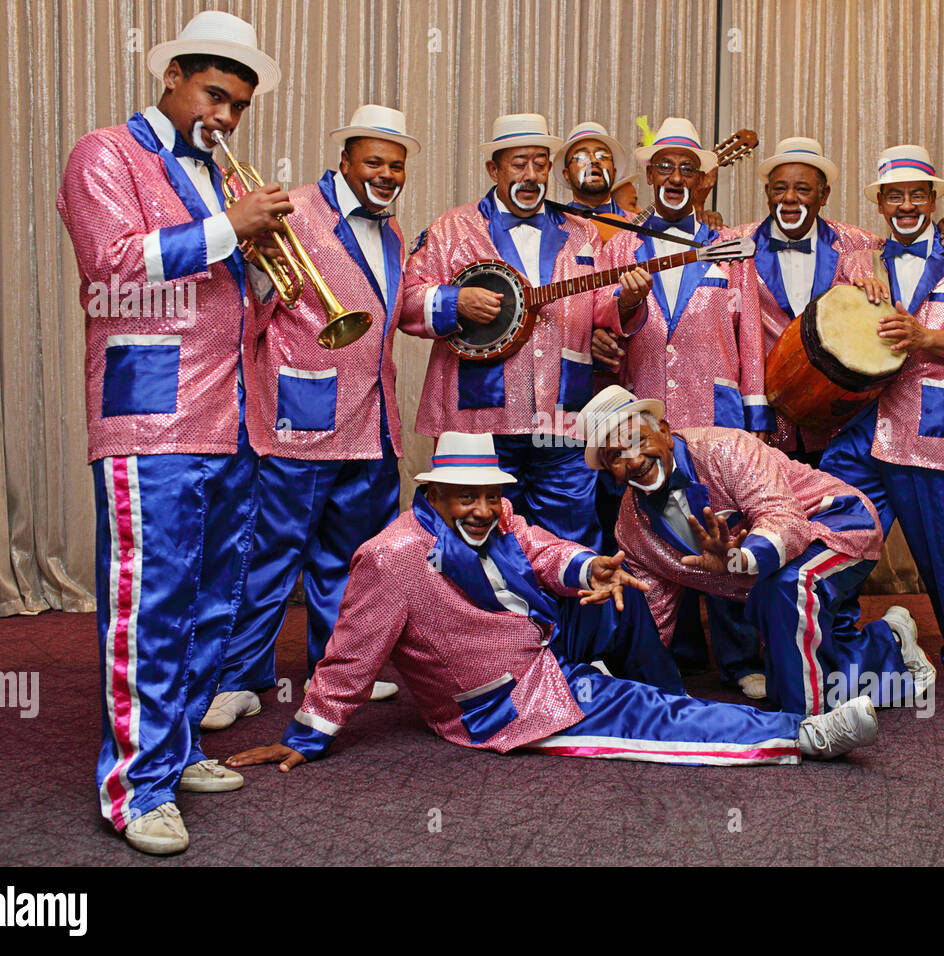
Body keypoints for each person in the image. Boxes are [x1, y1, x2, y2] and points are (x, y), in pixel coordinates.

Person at [224, 432, 880, 775]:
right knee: (650, 723)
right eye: (465, 497)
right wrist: (306, 737)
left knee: (620, 603)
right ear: (435, 495)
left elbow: (543, 551)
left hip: (545, 649)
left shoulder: (501, 516)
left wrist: (590, 564)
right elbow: (349, 654)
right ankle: (801, 737)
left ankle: (669, 690)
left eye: (489, 495)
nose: (483, 508)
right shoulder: (391, 557)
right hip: (506, 701)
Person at [56, 10, 289, 855]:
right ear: (173, 77)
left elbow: (230, 298)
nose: (224, 119)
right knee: (148, 606)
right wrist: (235, 230)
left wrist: (263, 268)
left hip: (227, 417)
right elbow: (111, 263)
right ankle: (134, 787)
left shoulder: (219, 179)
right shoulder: (104, 153)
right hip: (148, 416)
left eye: (238, 107)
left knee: (209, 603)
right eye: (215, 96)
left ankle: (175, 746)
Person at [203, 105, 419, 732]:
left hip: (372, 420)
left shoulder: (395, 230)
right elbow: (250, 313)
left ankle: (337, 668)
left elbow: (391, 315)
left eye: (396, 165)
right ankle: (240, 677)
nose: (386, 174)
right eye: (373, 161)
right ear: (345, 159)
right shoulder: (292, 209)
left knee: (351, 559)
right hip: (300, 417)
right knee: (268, 555)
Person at [577, 386, 938, 719]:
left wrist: (738, 559)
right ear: (611, 472)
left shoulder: (725, 449)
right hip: (773, 570)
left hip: (837, 521)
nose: (634, 459)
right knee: (789, 655)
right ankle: (890, 644)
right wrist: (618, 674)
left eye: (638, 440)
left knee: (788, 588)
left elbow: (784, 519)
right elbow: (655, 612)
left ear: (666, 433)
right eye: (616, 456)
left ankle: (807, 721)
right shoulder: (631, 525)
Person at [592, 116, 772, 699]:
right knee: (655, 524)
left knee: (723, 525)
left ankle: (740, 657)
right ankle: (672, 649)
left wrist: (757, 417)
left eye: (687, 169)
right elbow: (603, 331)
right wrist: (623, 305)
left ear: (703, 182)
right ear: (647, 176)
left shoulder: (728, 246)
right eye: (664, 167)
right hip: (646, 419)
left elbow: (750, 339)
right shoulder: (618, 244)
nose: (675, 177)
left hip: (714, 412)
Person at [820, 144, 944, 697]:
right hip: (860, 426)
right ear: (879, 203)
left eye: (917, 194)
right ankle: (846, 643)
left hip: (934, 426)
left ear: (932, 199)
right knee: (838, 535)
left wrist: (929, 339)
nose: (906, 204)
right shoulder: (857, 258)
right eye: (894, 195)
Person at [401, 113, 608, 549]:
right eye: (518, 164)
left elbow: (603, 308)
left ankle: (560, 620)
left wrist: (624, 306)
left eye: (540, 163)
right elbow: (406, 302)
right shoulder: (450, 229)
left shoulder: (582, 232)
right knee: (478, 535)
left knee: (570, 530)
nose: (531, 175)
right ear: (493, 170)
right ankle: (485, 619)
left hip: (563, 412)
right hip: (479, 414)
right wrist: (457, 302)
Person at [723, 136, 944, 464]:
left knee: (838, 512)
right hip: (766, 426)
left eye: (804, 189)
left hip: (838, 426)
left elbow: (911, 245)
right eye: (779, 188)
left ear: (824, 195)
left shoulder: (860, 242)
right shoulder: (734, 244)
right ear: (767, 193)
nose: (790, 199)